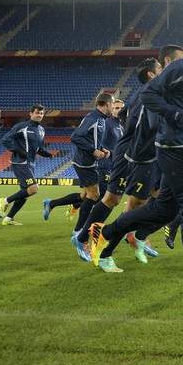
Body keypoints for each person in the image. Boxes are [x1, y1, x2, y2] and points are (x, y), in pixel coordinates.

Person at [90, 27, 183, 294]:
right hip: (175, 147)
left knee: (164, 210)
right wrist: (177, 117)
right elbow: (148, 95)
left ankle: (106, 233)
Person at [82, 48, 183, 270]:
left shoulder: (163, 90)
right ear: (164, 65)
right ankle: (102, 247)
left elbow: (125, 115)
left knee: (161, 204)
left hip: (156, 156)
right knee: (130, 205)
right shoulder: (152, 91)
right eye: (181, 60)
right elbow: (142, 125)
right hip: (142, 156)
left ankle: (137, 236)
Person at [62, 93, 114, 261]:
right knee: (94, 195)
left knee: (91, 195)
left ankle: (79, 231)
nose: (113, 108)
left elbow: (93, 139)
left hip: (90, 162)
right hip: (85, 162)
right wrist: (93, 151)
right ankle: (79, 234)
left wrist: (102, 148)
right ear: (105, 104)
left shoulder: (99, 119)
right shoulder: (93, 118)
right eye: (112, 105)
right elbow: (75, 136)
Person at [0, 104, 53, 225]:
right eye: (37, 112)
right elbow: (6, 140)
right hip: (20, 162)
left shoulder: (41, 130)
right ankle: (6, 200)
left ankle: (9, 218)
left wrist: (47, 154)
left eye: (41, 113)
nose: (39, 115)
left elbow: (38, 148)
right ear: (31, 113)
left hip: (30, 163)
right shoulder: (22, 127)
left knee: (25, 194)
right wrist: (18, 150)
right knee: (33, 189)